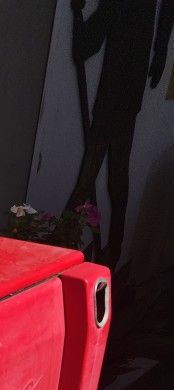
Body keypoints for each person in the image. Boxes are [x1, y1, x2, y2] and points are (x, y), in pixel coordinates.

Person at [66, 0, 174, 269]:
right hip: (117, 92)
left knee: (109, 178)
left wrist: (160, 49)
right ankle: (95, 249)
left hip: (123, 94)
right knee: (101, 178)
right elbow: (87, 43)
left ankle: (110, 251)